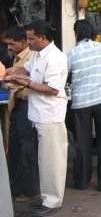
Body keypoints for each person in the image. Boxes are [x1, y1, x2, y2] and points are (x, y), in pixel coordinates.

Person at [6, 20, 68, 217]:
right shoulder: (37, 55)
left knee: (52, 161)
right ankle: (46, 197)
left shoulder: (55, 57)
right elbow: (27, 70)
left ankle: (53, 201)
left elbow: (52, 88)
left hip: (50, 116)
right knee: (43, 160)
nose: (28, 42)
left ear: (42, 37)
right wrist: (13, 72)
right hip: (38, 115)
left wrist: (26, 83)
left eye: (31, 38)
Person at [67, 19, 101, 191]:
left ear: (76, 34)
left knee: (82, 142)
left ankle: (81, 181)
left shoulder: (71, 54)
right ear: (93, 32)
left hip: (81, 102)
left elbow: (67, 76)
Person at [3, 26, 39, 201]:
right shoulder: (16, 58)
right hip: (17, 107)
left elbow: (28, 83)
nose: (8, 47)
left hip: (27, 105)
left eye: (12, 44)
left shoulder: (31, 58)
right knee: (16, 149)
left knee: (27, 148)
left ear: (24, 42)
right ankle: (16, 188)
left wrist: (9, 82)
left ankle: (30, 190)